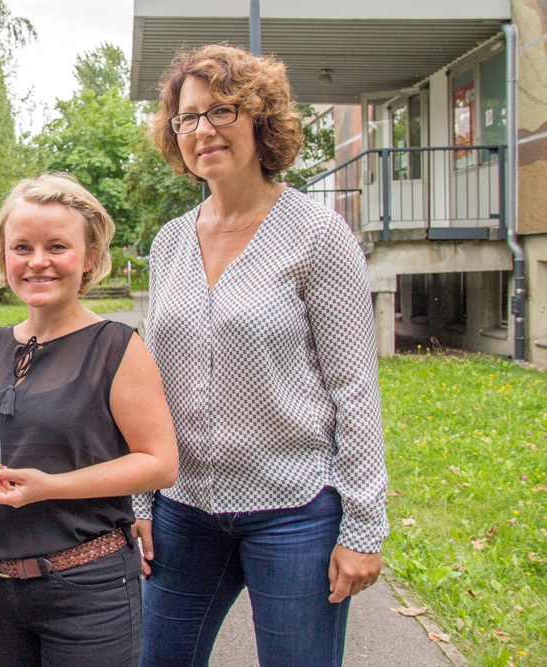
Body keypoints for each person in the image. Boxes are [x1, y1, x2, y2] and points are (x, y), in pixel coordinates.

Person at [134, 45, 389, 667]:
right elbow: (149, 385)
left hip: (294, 510)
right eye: (187, 118)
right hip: (183, 508)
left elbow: (354, 385)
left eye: (221, 110)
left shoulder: (317, 234)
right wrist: (139, 500)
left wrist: (362, 525)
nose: (203, 130)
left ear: (260, 119)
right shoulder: (170, 243)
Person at [0, 173, 179, 667]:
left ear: (89, 256)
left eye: (57, 246)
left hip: (87, 592)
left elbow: (161, 464)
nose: (37, 261)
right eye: (21, 247)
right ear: (3, 255)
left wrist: (51, 485)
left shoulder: (117, 346)